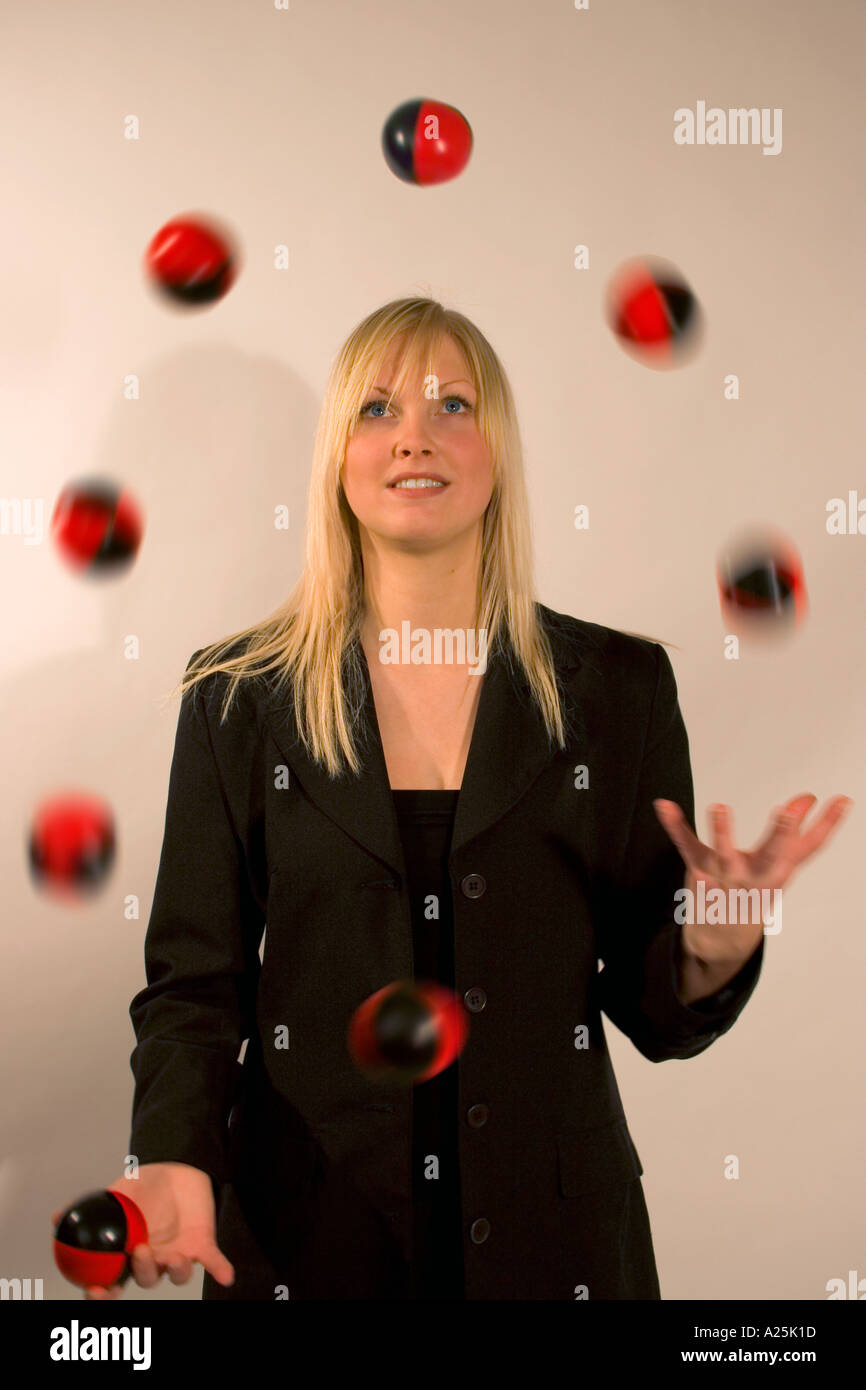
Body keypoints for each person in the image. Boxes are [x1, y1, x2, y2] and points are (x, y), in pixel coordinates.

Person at [66, 296, 851, 1301]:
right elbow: (193, 985)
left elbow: (650, 1008)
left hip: (553, 1247)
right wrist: (170, 1152)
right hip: (307, 1245)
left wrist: (711, 945)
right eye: (377, 409)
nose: (414, 438)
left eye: (452, 405)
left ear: (497, 453)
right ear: (336, 460)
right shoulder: (233, 701)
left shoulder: (616, 690)